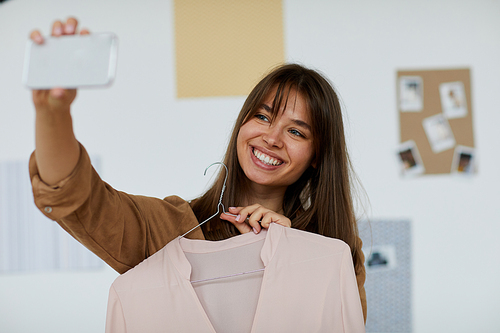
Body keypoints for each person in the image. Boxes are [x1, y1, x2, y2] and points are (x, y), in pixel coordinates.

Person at [29, 18, 367, 321]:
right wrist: (53, 113)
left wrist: (294, 251)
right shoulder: (166, 231)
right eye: (262, 116)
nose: (271, 138)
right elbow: (75, 196)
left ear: (318, 155)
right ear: (242, 124)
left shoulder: (333, 252)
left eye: (295, 131)